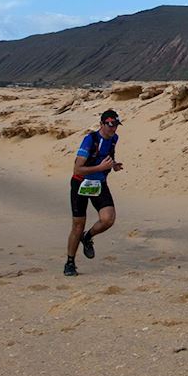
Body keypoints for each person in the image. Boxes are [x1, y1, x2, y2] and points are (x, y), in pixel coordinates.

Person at [65, 110, 123, 276]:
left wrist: (114, 165)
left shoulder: (114, 139)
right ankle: (70, 263)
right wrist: (100, 168)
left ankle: (87, 237)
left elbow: (106, 157)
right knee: (78, 225)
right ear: (102, 124)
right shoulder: (90, 140)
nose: (113, 129)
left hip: (99, 183)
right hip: (80, 183)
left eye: (116, 126)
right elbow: (77, 168)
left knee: (108, 219)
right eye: (110, 125)